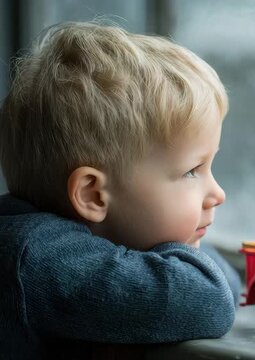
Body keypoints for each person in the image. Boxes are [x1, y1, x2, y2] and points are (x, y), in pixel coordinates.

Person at [0, 21, 241, 359]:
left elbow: (224, 280)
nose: (217, 193)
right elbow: (208, 298)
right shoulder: (37, 259)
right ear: (93, 195)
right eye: (192, 171)